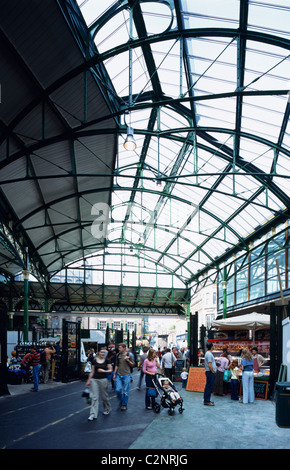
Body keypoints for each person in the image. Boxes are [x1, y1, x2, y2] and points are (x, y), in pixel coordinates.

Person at [86, 348, 112, 421]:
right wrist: (88, 381)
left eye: (104, 352)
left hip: (103, 379)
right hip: (94, 380)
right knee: (94, 397)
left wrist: (103, 371)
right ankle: (92, 414)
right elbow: (92, 371)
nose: (103, 354)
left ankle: (107, 408)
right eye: (101, 352)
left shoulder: (107, 360)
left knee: (104, 397)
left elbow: (110, 370)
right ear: (98, 352)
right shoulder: (94, 361)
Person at [113, 343, 135, 411]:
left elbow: (133, 365)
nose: (119, 349)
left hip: (126, 375)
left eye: (120, 348)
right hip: (119, 375)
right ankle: (122, 400)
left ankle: (124, 404)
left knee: (125, 391)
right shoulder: (118, 355)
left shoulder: (129, 355)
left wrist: (128, 360)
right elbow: (116, 365)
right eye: (118, 347)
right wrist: (114, 374)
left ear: (124, 348)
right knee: (118, 389)